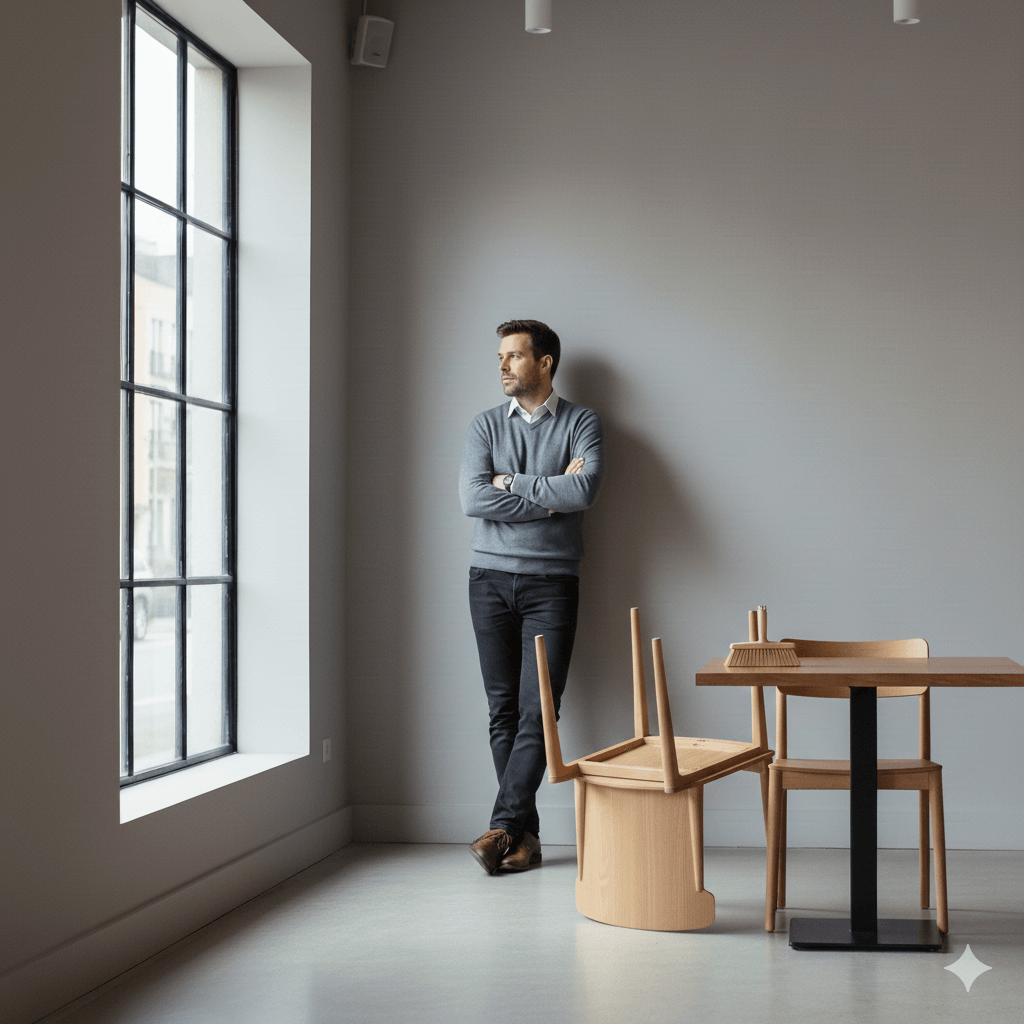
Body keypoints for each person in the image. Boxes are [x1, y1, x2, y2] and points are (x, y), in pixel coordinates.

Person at [459, 319, 605, 874]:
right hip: (488, 579)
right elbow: (473, 499)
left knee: (538, 710)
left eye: (514, 356)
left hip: (551, 584)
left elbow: (585, 488)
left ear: (545, 363)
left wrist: (511, 482)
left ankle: (502, 827)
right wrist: (549, 497)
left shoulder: (582, 423)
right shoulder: (484, 426)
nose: (502, 366)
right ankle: (525, 838)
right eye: (501, 356)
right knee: (502, 712)